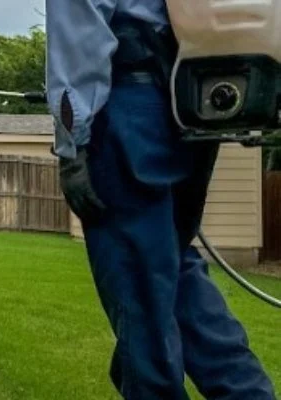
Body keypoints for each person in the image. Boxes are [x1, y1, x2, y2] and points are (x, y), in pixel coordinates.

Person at [44, 0, 277, 398]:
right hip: (191, 101)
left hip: (129, 108)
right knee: (172, 270)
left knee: (141, 298)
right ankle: (248, 393)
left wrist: (72, 140)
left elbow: (80, 20)